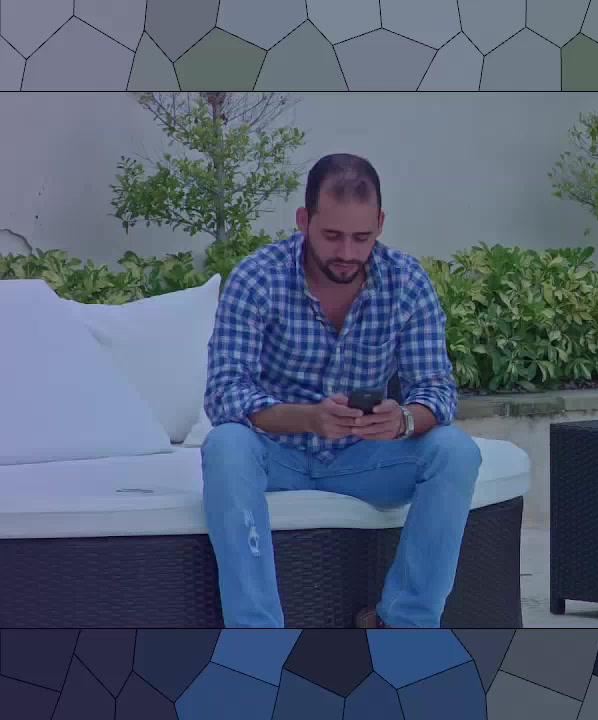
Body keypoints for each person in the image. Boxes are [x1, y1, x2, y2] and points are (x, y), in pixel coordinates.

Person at [200, 153, 481, 629]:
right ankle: (257, 637)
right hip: (276, 455)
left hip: (364, 458)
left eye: (362, 237)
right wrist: (309, 417)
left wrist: (402, 420)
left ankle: (406, 626)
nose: (347, 252)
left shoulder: (406, 281)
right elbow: (225, 393)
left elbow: (436, 391)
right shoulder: (257, 276)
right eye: (332, 236)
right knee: (226, 445)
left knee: (455, 451)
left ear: (380, 225)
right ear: (303, 220)